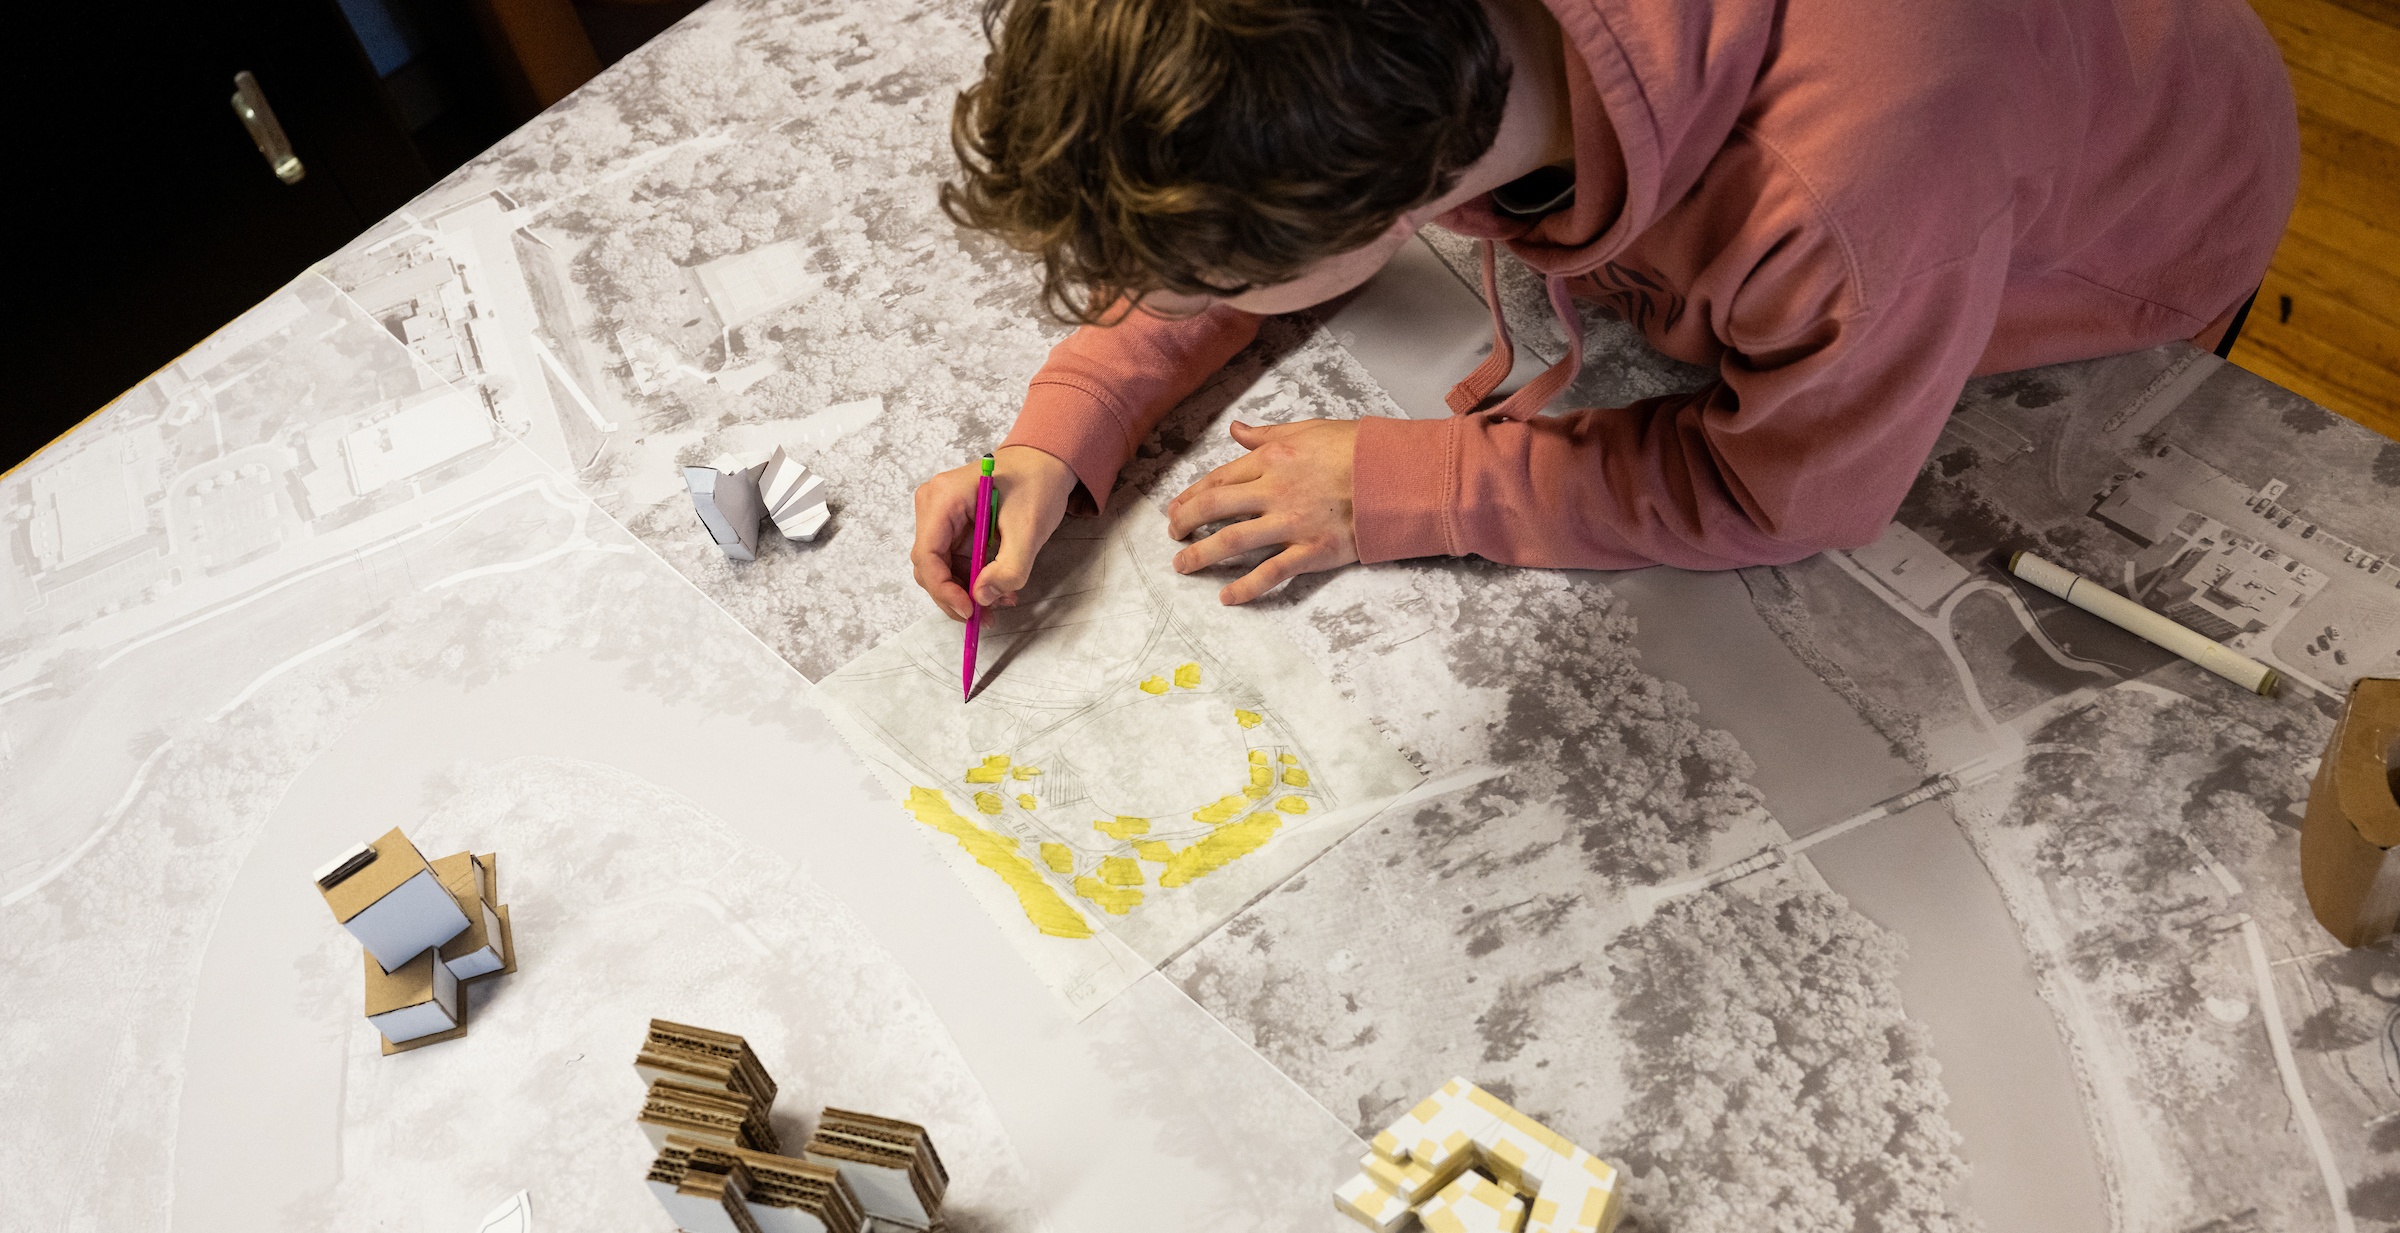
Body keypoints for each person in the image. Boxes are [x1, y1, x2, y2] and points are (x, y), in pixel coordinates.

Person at [907, 0, 2297, 618]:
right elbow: (1235, 124)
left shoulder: (1839, 201)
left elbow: (1786, 494)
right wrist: (1074, 415)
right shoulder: (1408, 66)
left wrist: (1413, 485)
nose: (1162, 304)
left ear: (1398, 210)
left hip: (2134, 226)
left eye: (1204, 285)